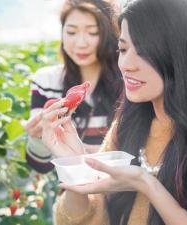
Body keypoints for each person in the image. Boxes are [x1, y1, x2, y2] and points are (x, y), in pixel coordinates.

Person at [41, 0, 187, 224]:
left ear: (185, 52)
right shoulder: (130, 123)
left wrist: (146, 184)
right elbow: (92, 219)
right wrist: (78, 166)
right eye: (123, 49)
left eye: (144, 51)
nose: (125, 64)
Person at [24, 0, 123, 173]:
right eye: (71, 32)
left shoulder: (127, 82)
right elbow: (41, 166)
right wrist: (37, 139)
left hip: (120, 192)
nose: (80, 43)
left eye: (93, 32)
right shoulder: (47, 82)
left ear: (110, 34)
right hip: (71, 193)